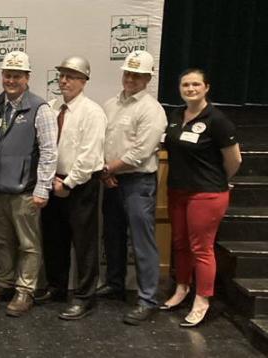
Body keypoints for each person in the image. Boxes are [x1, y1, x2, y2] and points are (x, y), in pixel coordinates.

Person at [161, 68, 241, 327]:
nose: (190, 89)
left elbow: (234, 160)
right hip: (177, 191)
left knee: (201, 249)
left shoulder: (217, 120)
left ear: (206, 87)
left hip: (206, 194)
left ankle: (202, 299)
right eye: (185, 85)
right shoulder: (175, 115)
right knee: (180, 244)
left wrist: (218, 181)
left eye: (196, 84)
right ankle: (182, 288)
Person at [0, 51, 58, 317]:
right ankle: (4, 284)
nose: (11, 80)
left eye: (17, 75)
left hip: (25, 191)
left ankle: (25, 290)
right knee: (2, 242)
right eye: (7, 75)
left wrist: (42, 187)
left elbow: (49, 152)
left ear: (27, 77)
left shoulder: (40, 108)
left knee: (28, 244)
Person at [99, 50, 167, 325]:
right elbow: (101, 142)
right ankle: (115, 286)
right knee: (112, 236)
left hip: (138, 182)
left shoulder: (152, 110)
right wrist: (105, 172)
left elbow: (142, 151)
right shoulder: (110, 105)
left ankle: (148, 298)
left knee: (142, 242)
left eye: (137, 75)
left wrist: (109, 169)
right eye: (128, 73)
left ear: (148, 78)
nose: (131, 79)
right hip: (112, 180)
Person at [37, 56, 106, 321]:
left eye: (71, 76)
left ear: (84, 81)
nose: (64, 81)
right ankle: (56, 287)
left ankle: (85, 297)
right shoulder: (53, 107)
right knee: (55, 239)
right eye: (62, 75)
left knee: (84, 243)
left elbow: (89, 155)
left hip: (79, 185)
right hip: (53, 182)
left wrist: (68, 183)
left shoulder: (92, 112)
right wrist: (51, 181)